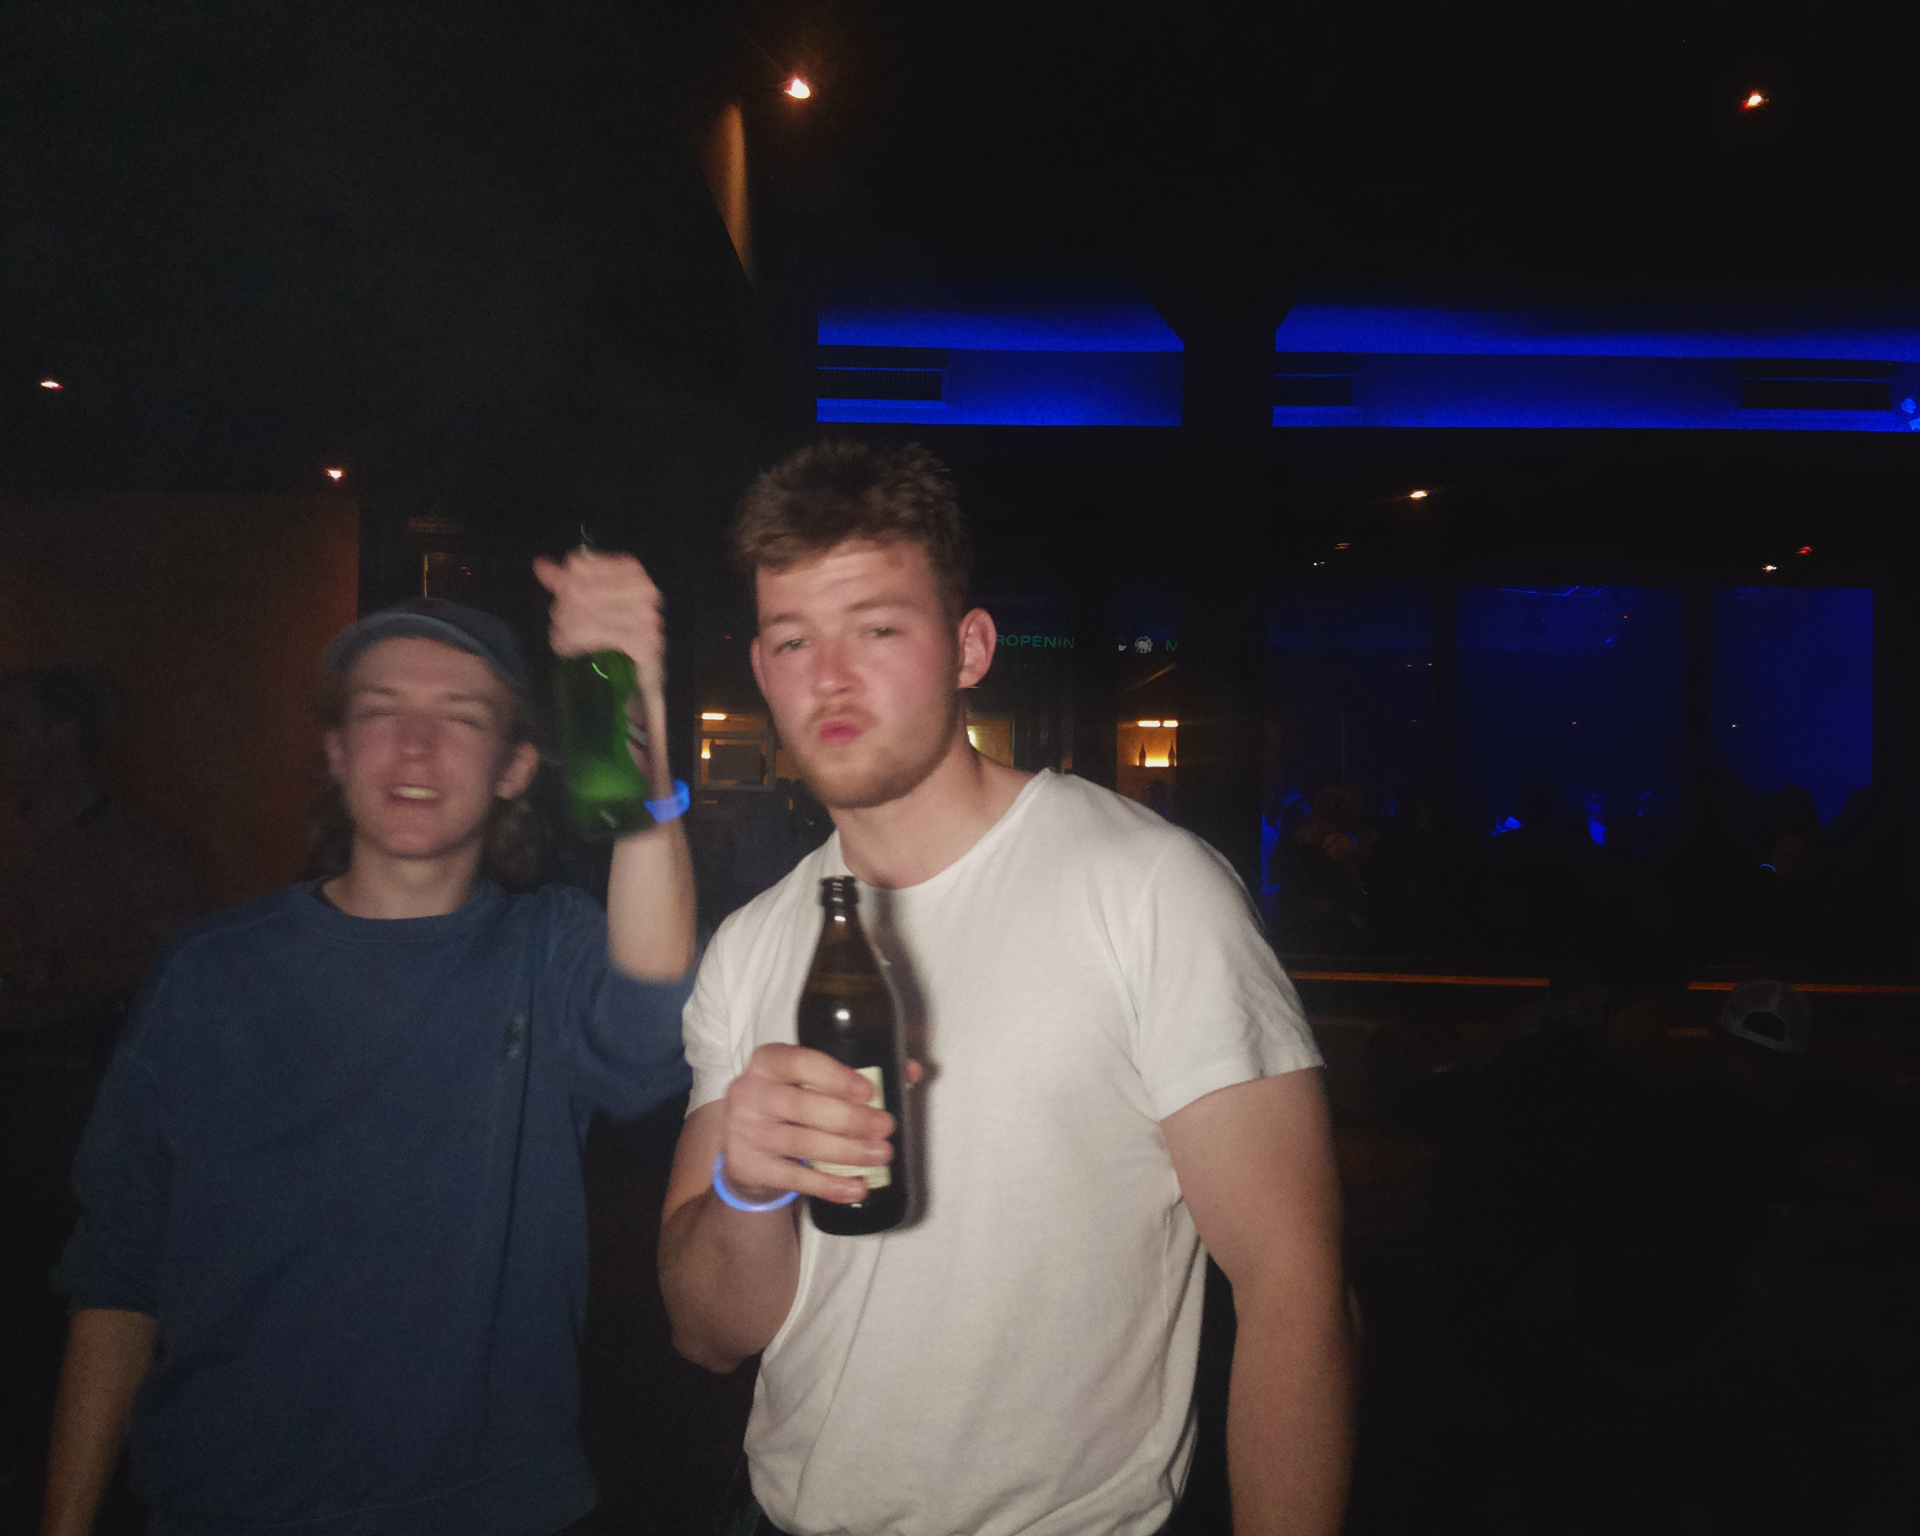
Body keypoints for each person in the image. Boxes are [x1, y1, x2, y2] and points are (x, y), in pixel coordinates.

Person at [660, 441, 1352, 1536]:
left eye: (877, 630)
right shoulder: (750, 947)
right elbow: (707, 1335)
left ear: (970, 647)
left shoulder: (1147, 889)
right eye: (794, 640)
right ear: (760, 667)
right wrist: (749, 1189)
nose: (829, 677)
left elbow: (1295, 1288)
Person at [41, 556, 696, 1536]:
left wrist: (634, 710)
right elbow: (118, 1270)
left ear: (516, 767)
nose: (416, 745)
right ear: (337, 751)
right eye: (381, 711)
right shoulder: (211, 977)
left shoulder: (544, 951)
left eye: (462, 717)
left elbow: (651, 1028)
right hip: (220, 1504)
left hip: (489, 1512)